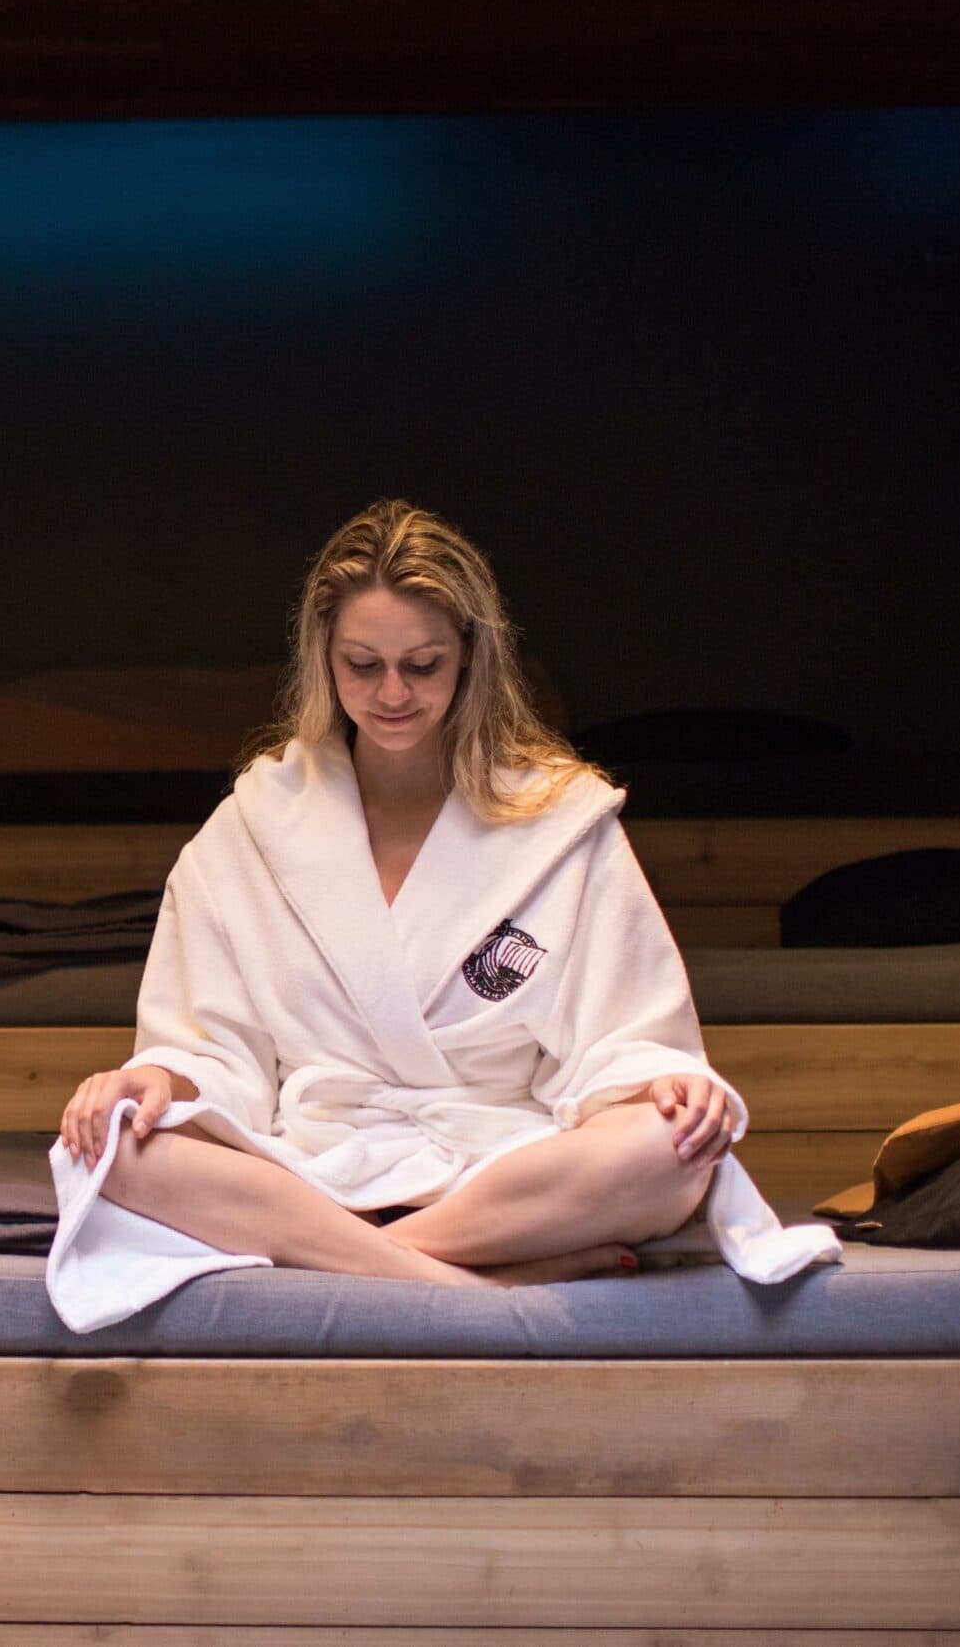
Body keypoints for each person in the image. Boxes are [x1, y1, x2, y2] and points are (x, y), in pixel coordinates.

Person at [43, 499, 838, 1334]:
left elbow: (626, 1036)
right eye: (363, 664)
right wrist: (153, 1081)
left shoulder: (555, 821)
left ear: (470, 658)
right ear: (323, 659)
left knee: (669, 1153)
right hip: (312, 1161)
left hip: (501, 1166)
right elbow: (210, 1047)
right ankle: (467, 1283)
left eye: (422, 665)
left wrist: (660, 1084)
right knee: (116, 1153)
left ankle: (356, 1258)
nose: (392, 694)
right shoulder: (253, 828)